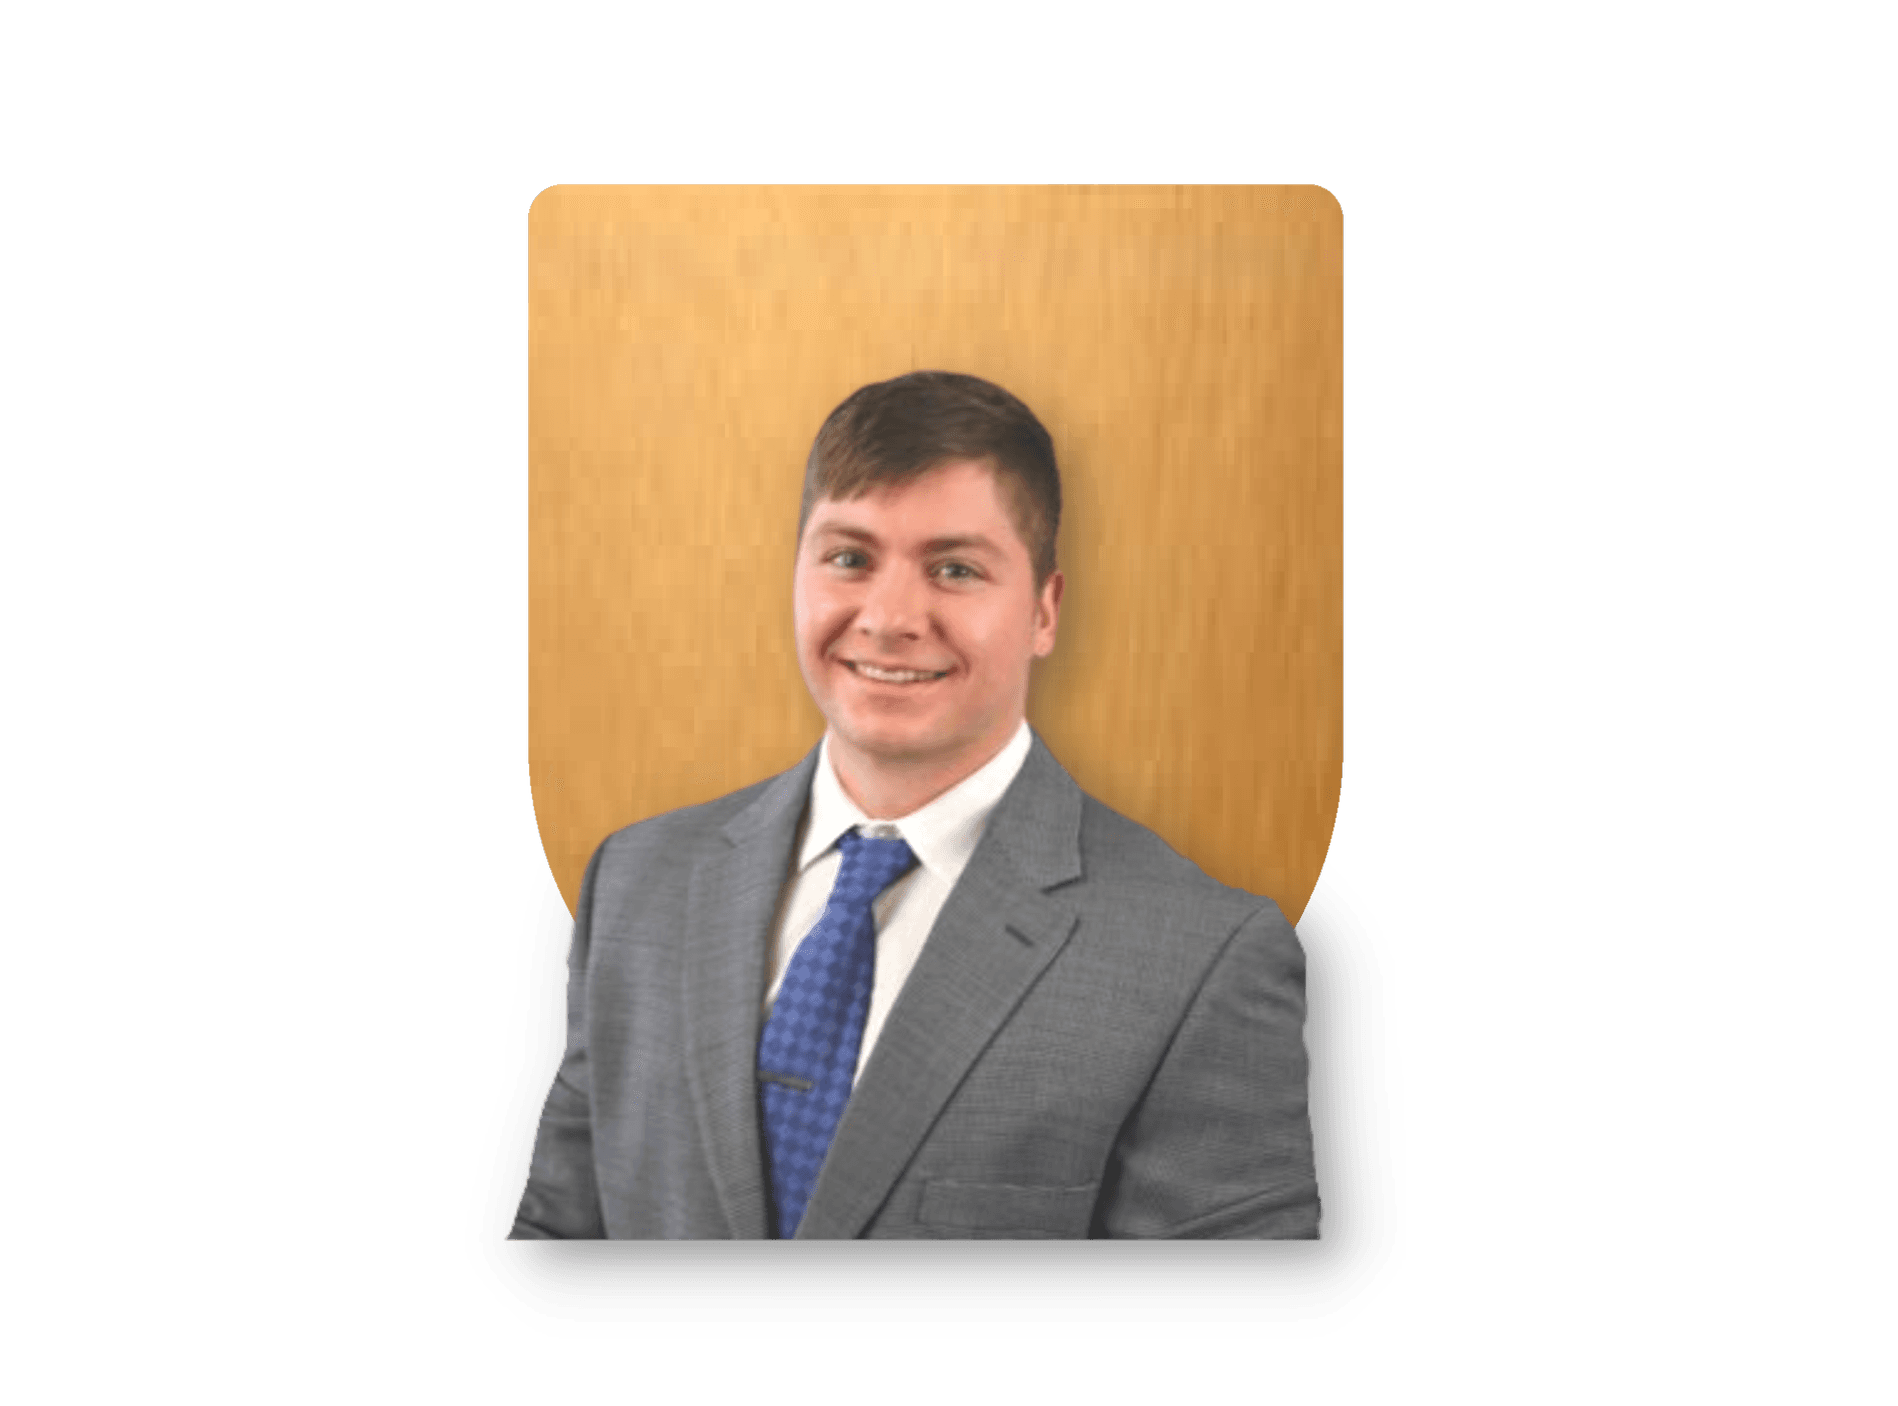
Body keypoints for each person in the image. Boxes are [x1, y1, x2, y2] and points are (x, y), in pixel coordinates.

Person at [508, 371, 1319, 1240]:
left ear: (1044, 612)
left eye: (956, 569)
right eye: (849, 557)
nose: (890, 617)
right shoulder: (636, 881)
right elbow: (553, 1242)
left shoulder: (1202, 959)